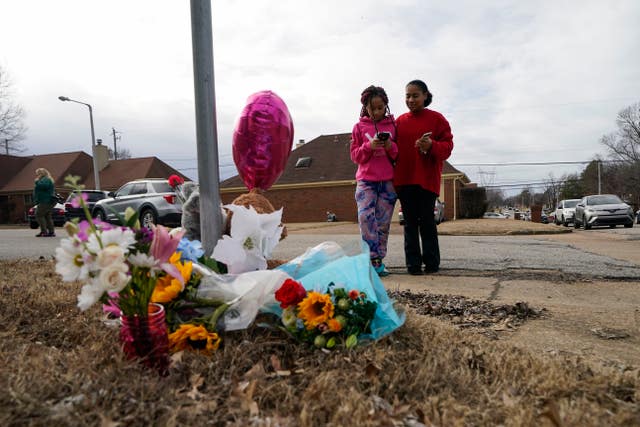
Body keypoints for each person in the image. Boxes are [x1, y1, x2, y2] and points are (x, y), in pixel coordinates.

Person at [394, 79, 453, 275]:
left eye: (415, 95)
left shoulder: (437, 119)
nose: (410, 100)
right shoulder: (399, 122)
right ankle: (412, 265)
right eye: (407, 96)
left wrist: (431, 146)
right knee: (410, 224)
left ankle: (432, 263)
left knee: (427, 222)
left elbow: (447, 147)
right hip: (404, 180)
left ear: (426, 95)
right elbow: (392, 150)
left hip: (427, 180)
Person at [350, 85, 398, 276]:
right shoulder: (359, 127)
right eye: (373, 108)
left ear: (386, 106)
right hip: (366, 181)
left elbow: (398, 154)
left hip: (388, 182)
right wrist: (368, 146)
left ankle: (379, 260)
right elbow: (355, 156)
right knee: (365, 217)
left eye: (381, 108)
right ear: (365, 108)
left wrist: (390, 145)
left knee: (383, 223)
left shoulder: (393, 126)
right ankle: (371, 258)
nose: (377, 112)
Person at [33, 168, 56, 237]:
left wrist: (37, 182)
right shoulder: (46, 179)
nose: (36, 175)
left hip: (45, 201)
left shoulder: (45, 179)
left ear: (41, 173)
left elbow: (43, 186)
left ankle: (44, 232)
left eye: (37, 173)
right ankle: (51, 232)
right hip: (47, 201)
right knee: (47, 216)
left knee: (38, 214)